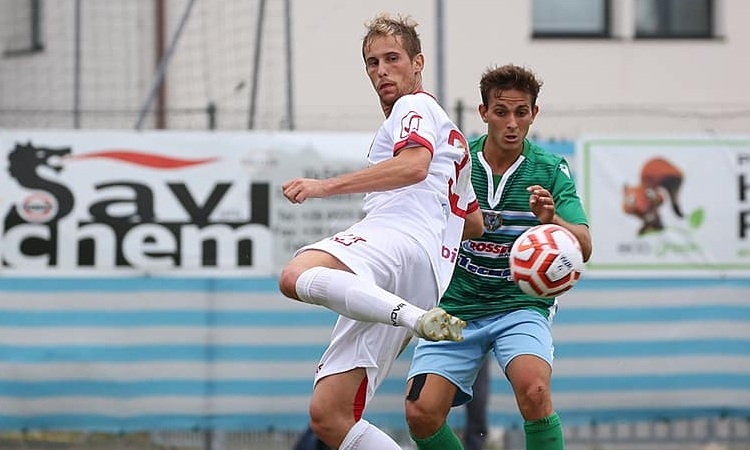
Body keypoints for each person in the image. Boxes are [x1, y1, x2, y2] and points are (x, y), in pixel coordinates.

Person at [278, 13, 484, 450]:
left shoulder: (415, 106)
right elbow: (474, 222)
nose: (381, 71)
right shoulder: (454, 138)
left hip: (398, 242)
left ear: (417, 63)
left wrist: (324, 187)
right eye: (372, 63)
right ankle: (419, 314)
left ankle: (417, 318)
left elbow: (413, 165)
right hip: (423, 277)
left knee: (296, 274)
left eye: (392, 58)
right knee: (330, 416)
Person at [404, 64, 593, 450]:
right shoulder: (456, 162)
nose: (511, 122)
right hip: (456, 307)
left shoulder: (550, 168)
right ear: (484, 112)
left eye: (521, 112)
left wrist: (551, 220)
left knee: (535, 390)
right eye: (501, 111)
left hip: (519, 305)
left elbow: (584, 245)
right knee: (420, 412)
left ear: (533, 115)